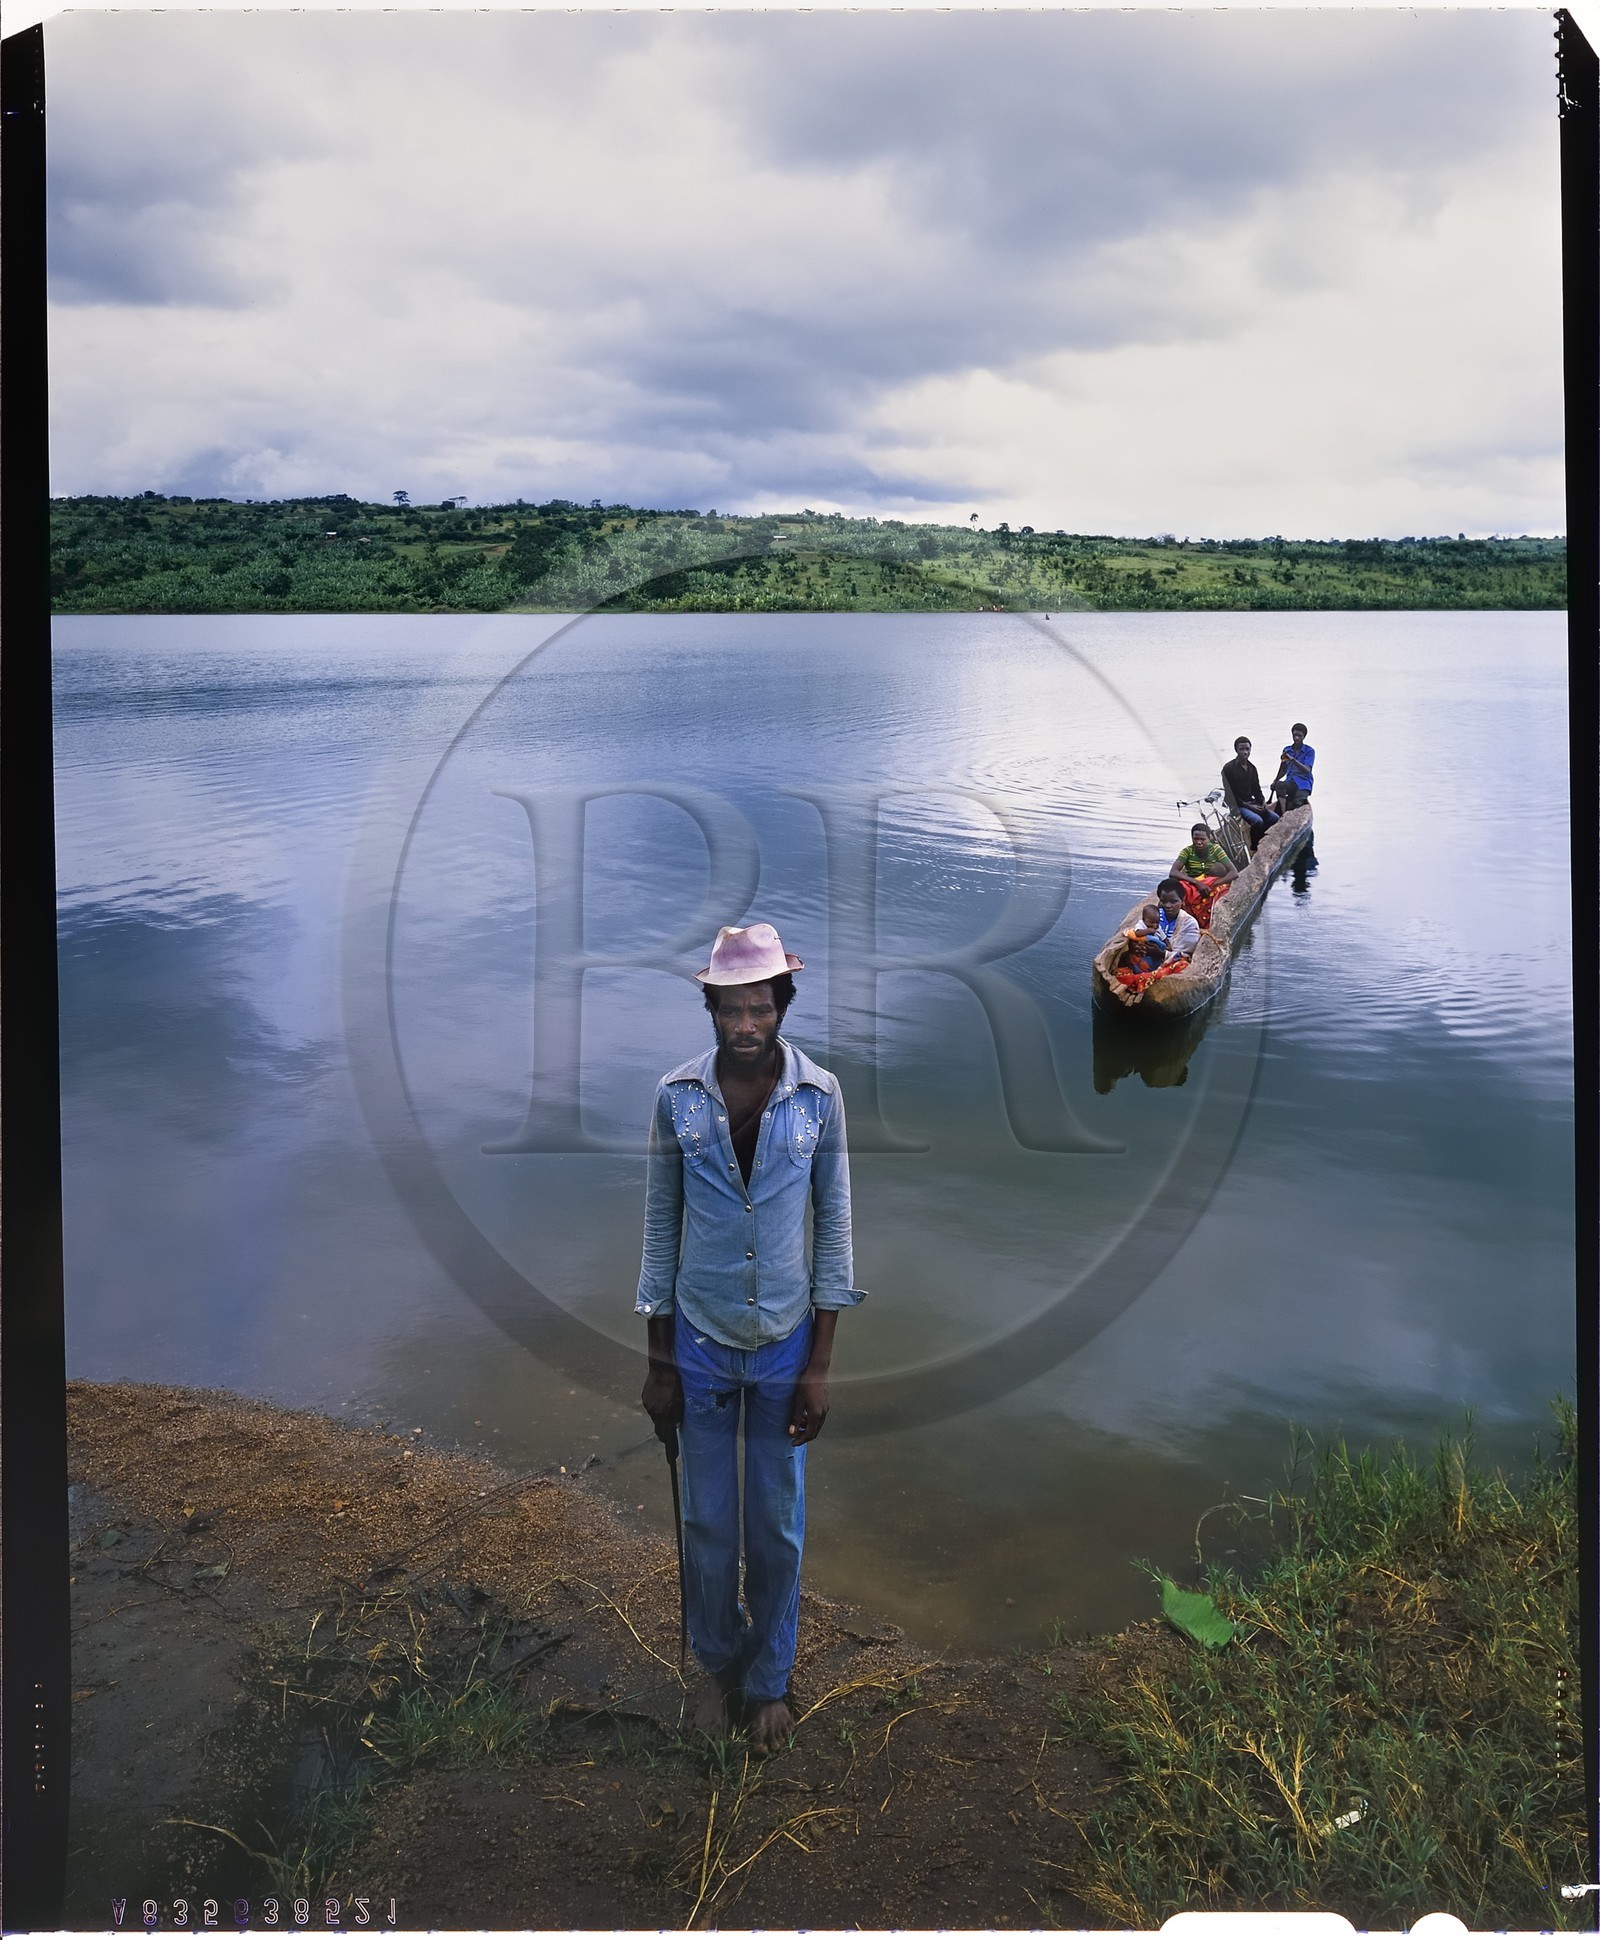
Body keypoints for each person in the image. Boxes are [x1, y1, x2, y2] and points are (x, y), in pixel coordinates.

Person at [636, 922, 864, 1754]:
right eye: (730, 1010)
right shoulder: (677, 1097)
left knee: (776, 1524)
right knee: (706, 1522)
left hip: (783, 1345)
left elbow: (834, 1229)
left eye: (759, 1009)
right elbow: (660, 1232)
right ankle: (714, 1664)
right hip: (696, 1338)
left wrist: (819, 1366)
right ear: (711, 1008)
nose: (744, 1026)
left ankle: (768, 1679)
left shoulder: (820, 1096)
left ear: (782, 1006)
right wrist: (658, 1362)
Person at [1219, 736, 1279, 848]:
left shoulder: (1252, 768)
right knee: (1257, 821)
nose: (1245, 752)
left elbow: (1257, 789)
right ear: (1236, 750)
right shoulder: (1228, 768)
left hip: (1251, 802)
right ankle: (1254, 847)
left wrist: (1262, 802)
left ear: (1250, 750)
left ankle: (1262, 839)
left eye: (1247, 749)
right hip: (1237, 805)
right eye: (1241, 749)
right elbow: (1230, 795)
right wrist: (1249, 807)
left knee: (1274, 818)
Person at [1271, 723, 1315, 811]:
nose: (1296, 738)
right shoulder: (1287, 750)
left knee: (1297, 803)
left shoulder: (1309, 751)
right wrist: (1275, 780)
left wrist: (1292, 760)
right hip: (1290, 782)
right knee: (1279, 785)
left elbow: (1307, 770)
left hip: (1303, 784)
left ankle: (1292, 808)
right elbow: (1283, 769)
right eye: (1294, 735)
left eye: (1299, 736)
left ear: (1304, 737)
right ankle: (1283, 813)